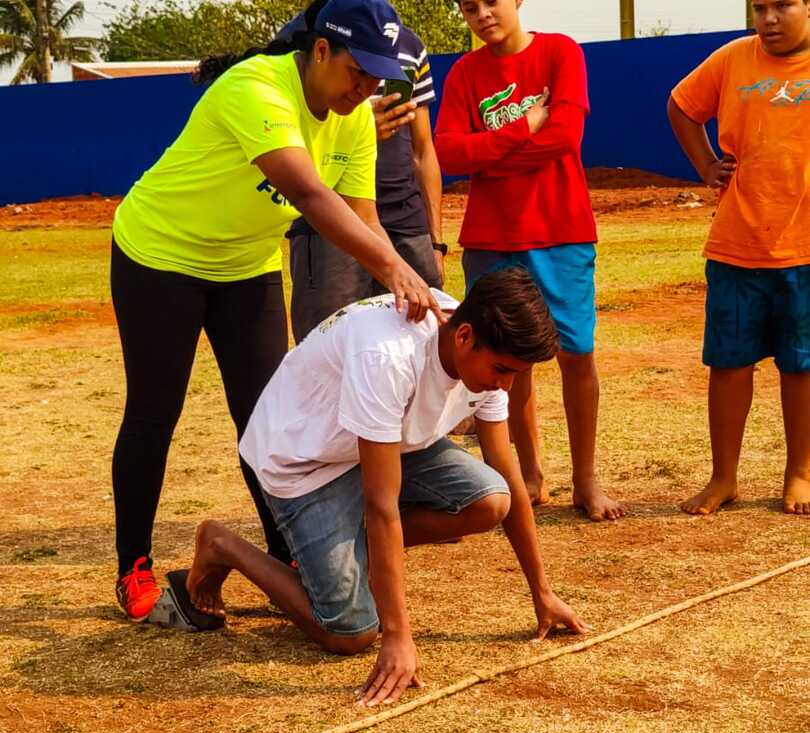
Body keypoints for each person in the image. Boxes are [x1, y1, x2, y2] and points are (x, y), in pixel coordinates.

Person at [111, 0, 440, 622]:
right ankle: (134, 567)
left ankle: (286, 551)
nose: (366, 84)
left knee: (270, 417)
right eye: (356, 68)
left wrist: (401, 286)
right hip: (160, 256)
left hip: (246, 267)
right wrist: (396, 267)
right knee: (156, 411)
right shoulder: (256, 88)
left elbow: (364, 216)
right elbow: (312, 196)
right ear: (320, 50)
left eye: (377, 73)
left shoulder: (355, 119)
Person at [170, 269, 587, 708]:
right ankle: (222, 544)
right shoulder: (388, 356)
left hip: (392, 441)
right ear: (464, 336)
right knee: (348, 631)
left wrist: (542, 591)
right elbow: (381, 504)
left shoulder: (488, 357)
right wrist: (397, 636)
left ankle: (352, 554)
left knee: (490, 499)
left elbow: (509, 475)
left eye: (517, 374)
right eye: (502, 370)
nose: (506, 385)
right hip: (306, 458)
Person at [434, 0, 624, 522]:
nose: (483, 15)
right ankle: (528, 473)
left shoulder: (559, 52)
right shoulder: (466, 73)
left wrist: (489, 155)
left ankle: (586, 477)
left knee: (577, 354)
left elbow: (564, 138)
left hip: (560, 231)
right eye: (470, 8)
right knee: (506, 362)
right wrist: (524, 125)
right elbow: (448, 153)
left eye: (492, 1)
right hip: (491, 238)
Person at [668, 0, 810, 518]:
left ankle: (799, 473)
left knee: (802, 365)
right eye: (759, 7)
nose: (769, 19)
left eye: (784, 5)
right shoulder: (732, 60)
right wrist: (705, 166)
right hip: (736, 246)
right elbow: (680, 106)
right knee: (728, 365)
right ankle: (723, 477)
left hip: (804, 250)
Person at [271, 0, 446, 341]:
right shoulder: (296, 43)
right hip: (327, 222)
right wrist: (356, 120)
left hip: (404, 219)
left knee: (426, 351)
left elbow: (424, 149)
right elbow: (279, 140)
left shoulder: (407, 45)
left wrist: (435, 240)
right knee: (329, 350)